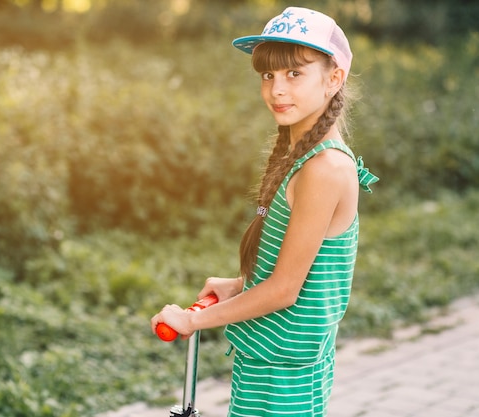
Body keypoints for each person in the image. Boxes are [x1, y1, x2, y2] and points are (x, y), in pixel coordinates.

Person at [151, 6, 378, 416]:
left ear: (333, 78)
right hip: (269, 358)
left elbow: (285, 290)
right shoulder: (303, 157)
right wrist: (240, 284)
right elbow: (300, 267)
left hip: (286, 372)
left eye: (295, 73)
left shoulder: (324, 168)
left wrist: (193, 322)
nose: (277, 89)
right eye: (268, 75)